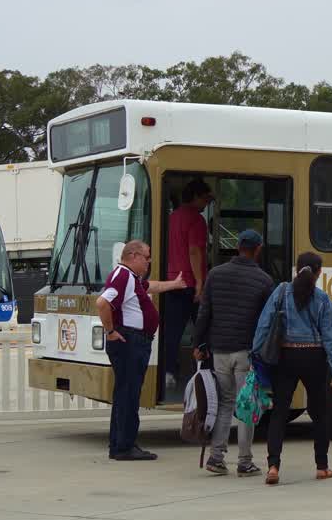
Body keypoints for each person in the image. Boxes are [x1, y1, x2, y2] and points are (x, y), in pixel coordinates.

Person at [252, 251, 332, 485]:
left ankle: (273, 467)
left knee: (279, 412)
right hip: (314, 357)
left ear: (297, 269)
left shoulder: (281, 292)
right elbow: (330, 338)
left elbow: (264, 325)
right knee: (320, 413)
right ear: (318, 273)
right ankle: (322, 467)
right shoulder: (322, 298)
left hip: (286, 356)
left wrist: (257, 355)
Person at [193, 229, 275, 477]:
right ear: (258, 249)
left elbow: (204, 313)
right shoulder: (264, 281)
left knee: (225, 403)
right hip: (246, 353)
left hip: (219, 351)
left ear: (237, 246)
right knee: (246, 405)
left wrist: (198, 344)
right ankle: (245, 461)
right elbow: (267, 322)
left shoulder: (215, 275)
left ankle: (216, 457)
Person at [95, 240, 186, 461]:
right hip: (130, 341)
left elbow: (150, 286)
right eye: (146, 257)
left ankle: (118, 445)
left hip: (133, 340)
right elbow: (101, 303)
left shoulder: (130, 278)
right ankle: (125, 446)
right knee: (129, 394)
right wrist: (110, 331)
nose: (149, 262)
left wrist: (174, 284)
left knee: (125, 394)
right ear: (133, 256)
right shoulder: (123, 276)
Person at [163, 178, 213, 391]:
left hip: (172, 281)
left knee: (172, 331)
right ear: (195, 196)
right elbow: (195, 251)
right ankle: (204, 371)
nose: (206, 204)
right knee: (204, 329)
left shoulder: (171, 218)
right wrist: (200, 283)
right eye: (205, 199)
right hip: (190, 283)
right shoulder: (196, 220)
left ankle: (168, 371)